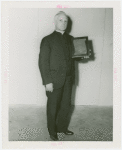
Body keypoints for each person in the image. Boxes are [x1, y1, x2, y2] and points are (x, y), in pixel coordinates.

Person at [38, 11, 90, 141]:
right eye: (61, 20)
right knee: (53, 106)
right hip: (54, 81)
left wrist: (83, 55)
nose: (63, 23)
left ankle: (62, 128)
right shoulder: (47, 40)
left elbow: (74, 57)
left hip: (68, 79)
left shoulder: (71, 39)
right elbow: (43, 62)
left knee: (66, 106)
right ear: (55, 22)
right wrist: (47, 81)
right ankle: (52, 131)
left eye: (66, 21)